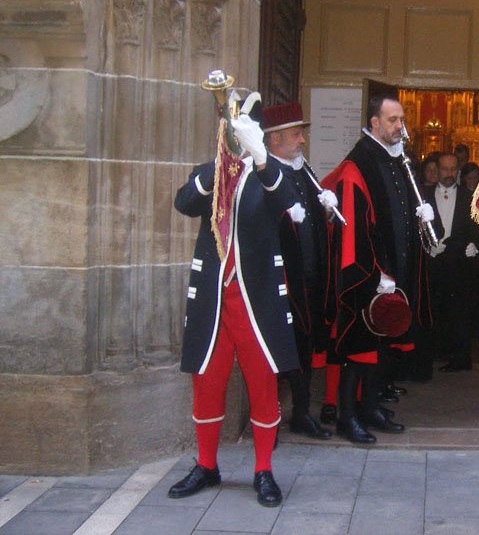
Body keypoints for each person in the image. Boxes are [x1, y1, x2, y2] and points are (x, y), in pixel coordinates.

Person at [168, 91, 303, 507]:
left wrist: (260, 157)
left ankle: (263, 469)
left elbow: (290, 205)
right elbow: (185, 202)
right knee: (206, 384)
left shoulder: (272, 173)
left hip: (255, 301)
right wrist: (218, 167)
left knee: (263, 383)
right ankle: (207, 465)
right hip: (213, 301)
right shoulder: (209, 172)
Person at [321, 93, 433, 444]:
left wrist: (419, 221)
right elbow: (354, 224)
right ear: (374, 123)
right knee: (358, 348)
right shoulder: (360, 163)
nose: (400, 126)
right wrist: (377, 272)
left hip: (392, 273)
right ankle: (347, 416)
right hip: (369, 275)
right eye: (392, 120)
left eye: (401, 119)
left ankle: (369, 408)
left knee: (380, 349)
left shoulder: (395, 159)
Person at [261, 102, 337, 441]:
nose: (302, 140)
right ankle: (269, 418)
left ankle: (301, 412)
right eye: (296, 134)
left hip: (308, 278)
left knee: (304, 347)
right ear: (274, 139)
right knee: (276, 352)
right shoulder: (263, 175)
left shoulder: (300, 170)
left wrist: (328, 211)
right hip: (279, 282)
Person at [423, 152, 477, 373]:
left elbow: (477, 227)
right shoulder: (424, 195)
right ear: (437, 169)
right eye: (444, 169)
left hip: (458, 259)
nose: (448, 174)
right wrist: (428, 246)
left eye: (452, 169)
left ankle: (460, 358)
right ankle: (432, 353)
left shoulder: (469, 196)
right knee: (433, 307)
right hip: (433, 260)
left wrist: (475, 245)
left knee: (459, 310)